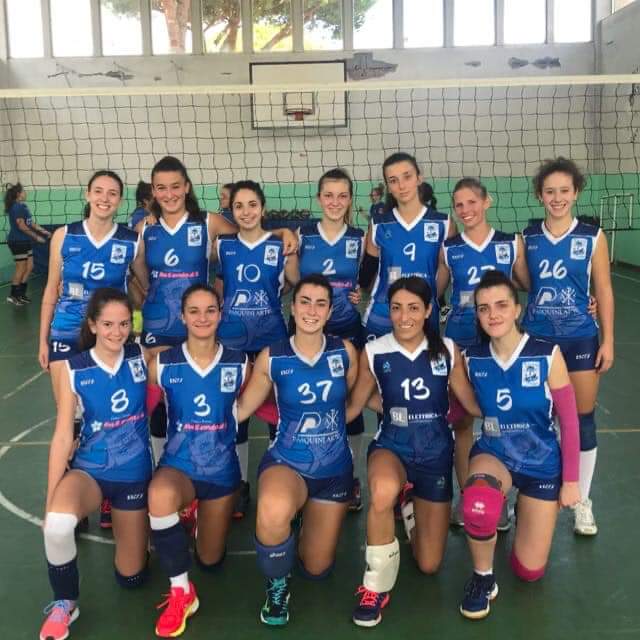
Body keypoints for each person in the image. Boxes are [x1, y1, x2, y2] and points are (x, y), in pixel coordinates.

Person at [347, 276, 480, 627]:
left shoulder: (447, 350)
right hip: (392, 447)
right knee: (382, 491)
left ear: (428, 311)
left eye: (413, 308)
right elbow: (354, 405)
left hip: (436, 455)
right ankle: (374, 587)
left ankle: (408, 506)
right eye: (396, 308)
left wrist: (527, 409)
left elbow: (470, 403)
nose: (404, 316)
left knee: (429, 564)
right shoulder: (375, 351)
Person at [235, 274, 358, 626]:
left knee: (316, 569)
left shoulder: (345, 352)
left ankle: (303, 517)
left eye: (321, 304)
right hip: (288, 462)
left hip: (334, 470)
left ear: (330, 311)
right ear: (293, 306)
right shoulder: (272, 357)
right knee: (273, 510)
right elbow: (242, 410)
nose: (312, 310)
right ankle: (277, 586)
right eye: (305, 301)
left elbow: (350, 404)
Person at [459, 270, 580, 619]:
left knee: (529, 571)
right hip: (495, 453)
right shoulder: (471, 358)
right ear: (478, 315)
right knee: (478, 505)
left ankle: (524, 508)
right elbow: (459, 407)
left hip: (541, 463)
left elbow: (570, 421)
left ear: (516, 309)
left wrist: (571, 481)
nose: (493, 314)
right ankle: (483, 577)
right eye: (484, 308)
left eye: (501, 305)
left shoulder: (547, 355)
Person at [39, 288, 152, 640]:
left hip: (133, 476)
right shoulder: (73, 368)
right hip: (90, 470)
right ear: (92, 325)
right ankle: (65, 603)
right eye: (108, 324)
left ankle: (142, 538)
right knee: (57, 526)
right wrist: (50, 501)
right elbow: (62, 437)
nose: (117, 332)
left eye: (124, 324)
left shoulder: (141, 355)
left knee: (132, 577)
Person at [146, 284, 247, 638]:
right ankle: (181, 592)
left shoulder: (240, 362)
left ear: (220, 314)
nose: (202, 318)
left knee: (210, 560)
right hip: (179, 466)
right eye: (194, 311)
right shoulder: (162, 364)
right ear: (183, 316)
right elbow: (137, 412)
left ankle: (196, 515)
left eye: (209, 310)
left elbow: (269, 404)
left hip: (222, 473)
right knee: (159, 495)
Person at [522, 157, 614, 535]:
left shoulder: (592, 236)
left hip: (580, 339)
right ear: (539, 195)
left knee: (582, 419)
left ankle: (582, 500)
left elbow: (603, 289)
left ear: (576, 193)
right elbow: (523, 284)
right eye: (550, 191)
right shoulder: (527, 238)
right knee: (534, 418)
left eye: (564, 190)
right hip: (537, 340)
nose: (557, 197)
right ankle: (528, 495)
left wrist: (608, 340)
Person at [439, 178, 529, 527]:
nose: (466, 210)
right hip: (461, 343)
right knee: (462, 423)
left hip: (500, 346)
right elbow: (433, 290)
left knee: (504, 421)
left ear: (486, 202)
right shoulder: (450, 248)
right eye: (459, 205)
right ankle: (467, 496)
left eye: (472, 202)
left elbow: (529, 285)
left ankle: (500, 497)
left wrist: (589, 302)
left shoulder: (510, 243)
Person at [214, 180, 298, 518]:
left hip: (271, 343)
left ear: (262, 208)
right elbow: (219, 287)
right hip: (231, 344)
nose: (246, 212)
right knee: (237, 419)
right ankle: (239, 485)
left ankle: (283, 482)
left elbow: (295, 282)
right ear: (231, 211)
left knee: (279, 418)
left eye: (252, 205)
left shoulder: (280, 245)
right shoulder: (223, 245)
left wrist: (287, 237)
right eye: (239, 206)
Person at [294, 168, 366, 510]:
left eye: (342, 196)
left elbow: (370, 279)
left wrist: (361, 294)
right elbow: (291, 278)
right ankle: (303, 472)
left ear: (350, 199)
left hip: (347, 331)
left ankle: (349, 476)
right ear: (319, 198)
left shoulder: (360, 238)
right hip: (307, 333)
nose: (335, 202)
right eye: (328, 195)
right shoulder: (302, 235)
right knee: (306, 402)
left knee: (348, 404)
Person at [39, 171, 138, 404]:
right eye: (98, 191)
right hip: (67, 330)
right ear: (88, 195)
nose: (105, 198)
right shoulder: (64, 235)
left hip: (110, 334)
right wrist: (43, 340)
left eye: (112, 193)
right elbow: (51, 290)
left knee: (102, 409)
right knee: (68, 410)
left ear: (120, 200)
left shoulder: (132, 241)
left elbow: (143, 291)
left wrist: (137, 329)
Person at [360, 152, 455, 340]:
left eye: (407, 177)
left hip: (424, 316)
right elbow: (367, 276)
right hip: (382, 315)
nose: (401, 186)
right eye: (393, 180)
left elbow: (447, 270)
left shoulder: (444, 223)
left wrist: (426, 299)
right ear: (388, 187)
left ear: (419, 178)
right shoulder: (379, 224)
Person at [4, 182, 51, 305]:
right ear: (18, 194)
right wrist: (36, 237)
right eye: (24, 191)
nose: (26, 193)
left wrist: (44, 232)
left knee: (29, 266)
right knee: (21, 268)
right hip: (18, 241)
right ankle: (13, 295)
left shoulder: (23, 206)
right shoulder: (16, 207)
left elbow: (31, 223)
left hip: (25, 240)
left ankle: (21, 294)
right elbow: (21, 225)